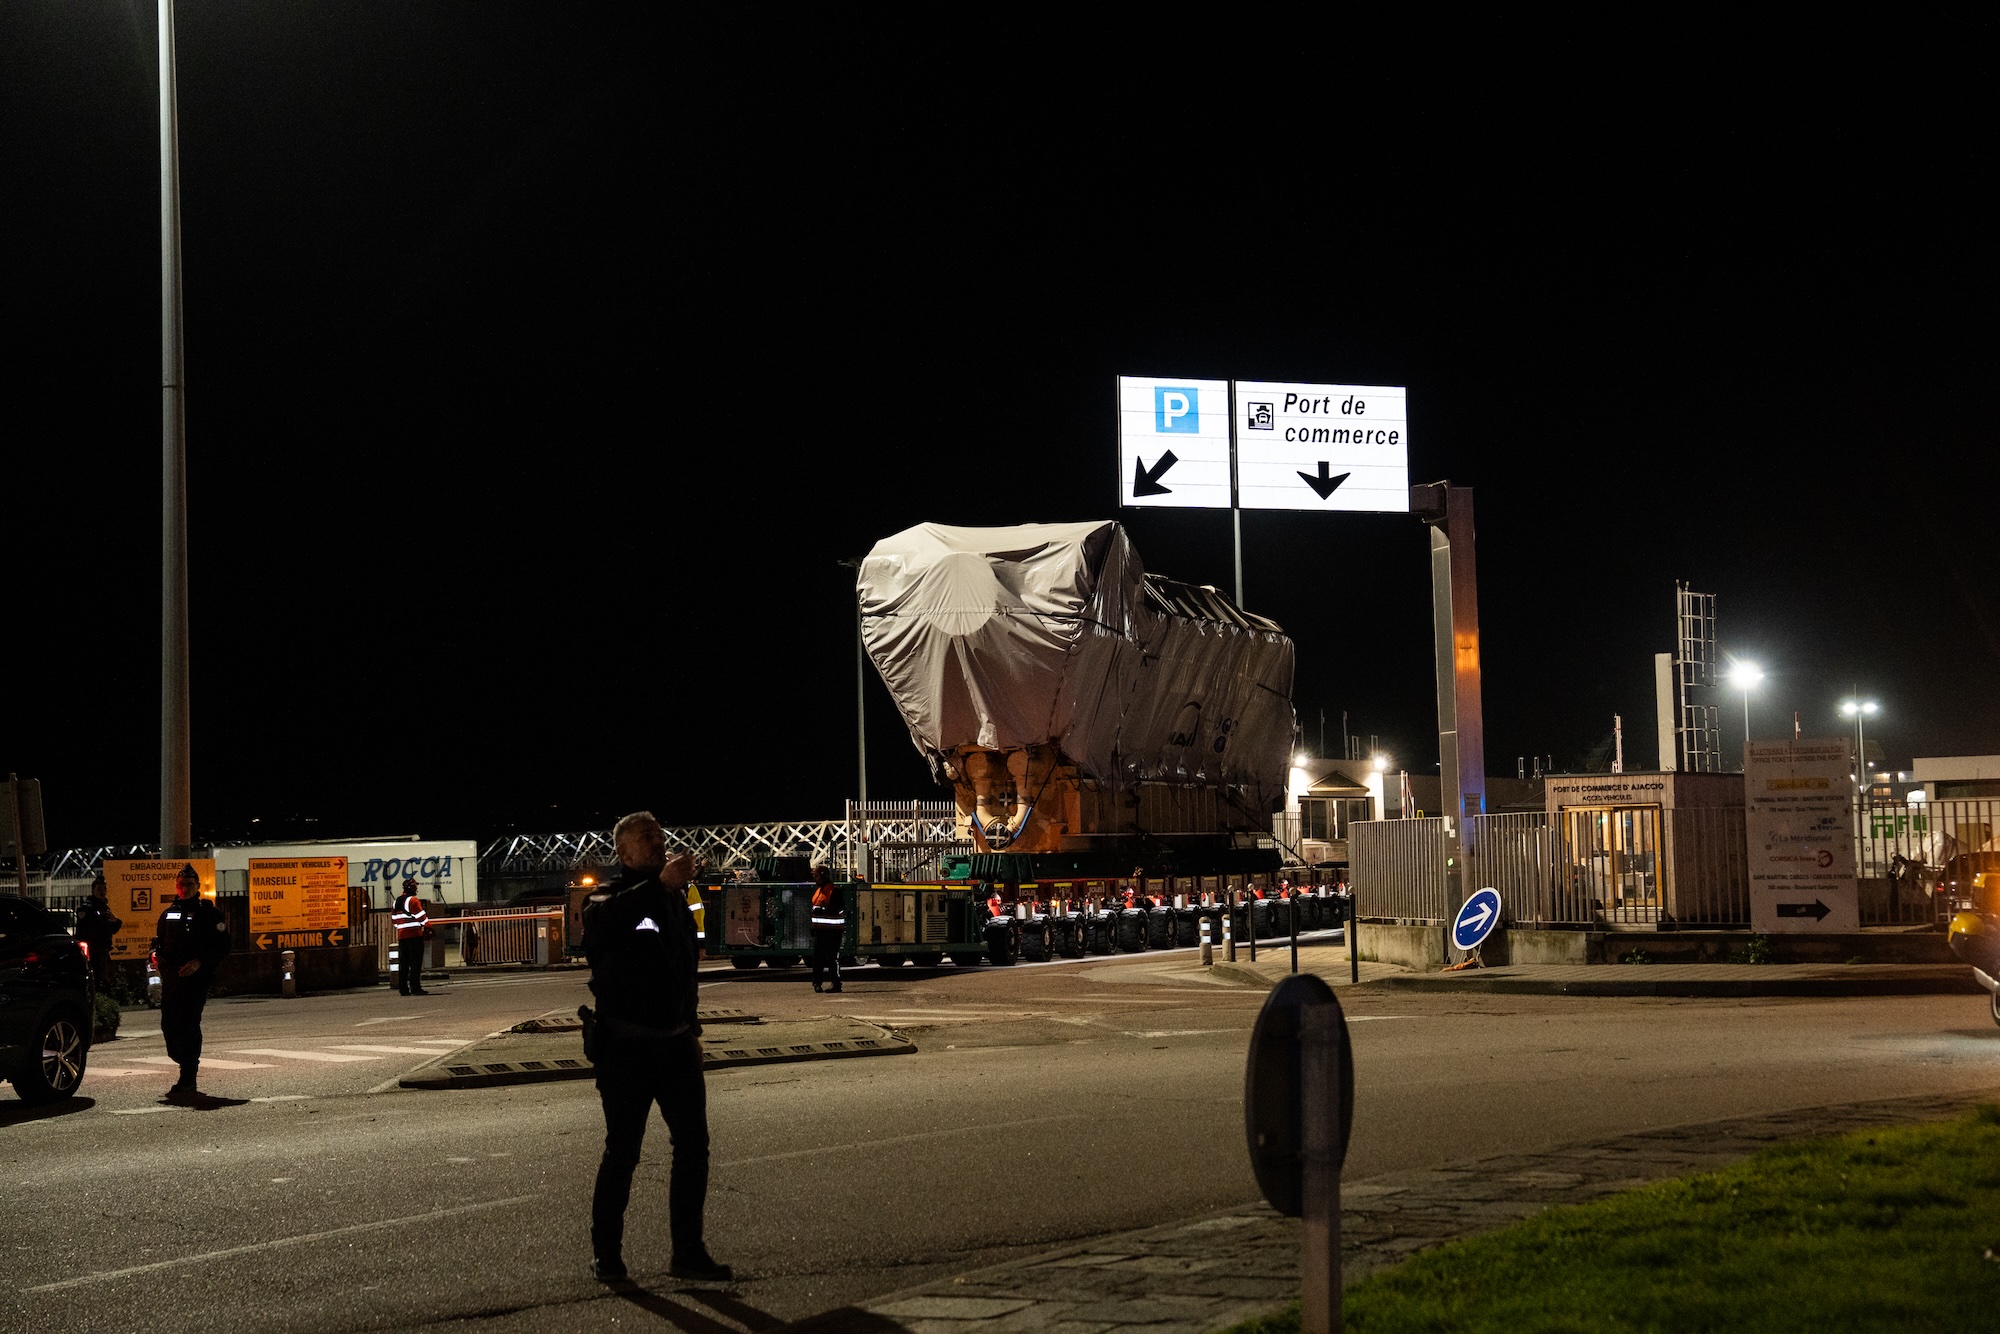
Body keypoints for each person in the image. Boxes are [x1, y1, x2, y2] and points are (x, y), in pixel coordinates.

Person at [583, 810, 730, 1285]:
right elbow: (605, 925)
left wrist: (693, 1031)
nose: (658, 843)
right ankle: (608, 1256)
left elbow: (683, 967)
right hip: (626, 1048)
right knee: (622, 1152)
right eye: (646, 839)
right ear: (624, 852)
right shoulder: (609, 896)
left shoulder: (673, 901)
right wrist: (659, 886)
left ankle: (688, 1252)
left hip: (675, 1047)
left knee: (693, 1149)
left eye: (660, 836)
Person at [153, 863, 228, 1105]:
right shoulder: (169, 913)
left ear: (197, 886)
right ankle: (181, 1058)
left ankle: (188, 1076)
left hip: (196, 979)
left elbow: (223, 945)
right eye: (180, 884)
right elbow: (158, 942)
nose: (184, 888)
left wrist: (200, 961)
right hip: (172, 979)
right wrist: (155, 954)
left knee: (189, 1024)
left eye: (189, 884)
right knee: (169, 1024)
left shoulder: (209, 913)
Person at [74, 871, 123, 986]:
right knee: (95, 979)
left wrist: (116, 921)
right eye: (99, 889)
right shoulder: (88, 908)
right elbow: (86, 930)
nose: (102, 892)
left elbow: (111, 930)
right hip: (93, 950)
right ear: (93, 891)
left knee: (106, 980)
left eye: (104, 889)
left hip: (103, 950)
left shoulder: (104, 908)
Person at [391, 877, 431, 996]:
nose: (416, 889)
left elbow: (394, 920)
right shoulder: (413, 901)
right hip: (414, 935)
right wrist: (428, 927)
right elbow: (421, 917)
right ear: (412, 888)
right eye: (415, 887)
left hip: (402, 936)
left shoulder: (396, 901)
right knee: (415, 963)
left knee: (403, 963)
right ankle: (415, 987)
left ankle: (403, 988)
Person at [809, 865, 844, 994]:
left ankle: (836, 983)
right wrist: (813, 927)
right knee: (817, 958)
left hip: (833, 931)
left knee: (832, 958)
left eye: (817, 876)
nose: (815, 879)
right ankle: (817, 983)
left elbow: (839, 908)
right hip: (820, 931)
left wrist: (823, 910)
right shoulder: (819, 891)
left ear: (824, 876)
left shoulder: (834, 891)